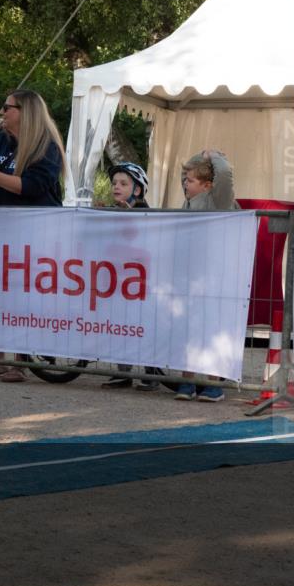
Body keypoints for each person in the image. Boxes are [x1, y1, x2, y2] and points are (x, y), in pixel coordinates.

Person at [0, 89, 65, 381]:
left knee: (24, 296)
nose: (2, 112)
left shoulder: (45, 145)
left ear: (25, 112)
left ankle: (20, 362)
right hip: (0, 227)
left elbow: (33, 186)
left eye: (7, 107)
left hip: (36, 232)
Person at [175, 149, 238, 402]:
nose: (185, 184)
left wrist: (215, 158)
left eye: (190, 181)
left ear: (208, 185)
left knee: (214, 328)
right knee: (189, 328)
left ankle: (213, 384)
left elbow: (225, 175)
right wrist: (195, 160)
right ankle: (187, 382)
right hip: (193, 275)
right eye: (186, 180)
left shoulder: (218, 200)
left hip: (216, 276)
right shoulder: (188, 202)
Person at [99, 163, 164, 391]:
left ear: (137, 190)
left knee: (143, 327)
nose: (116, 187)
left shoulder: (144, 213)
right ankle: (122, 372)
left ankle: (151, 373)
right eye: (114, 183)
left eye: (123, 183)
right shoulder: (112, 211)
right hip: (117, 280)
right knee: (119, 325)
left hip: (140, 282)